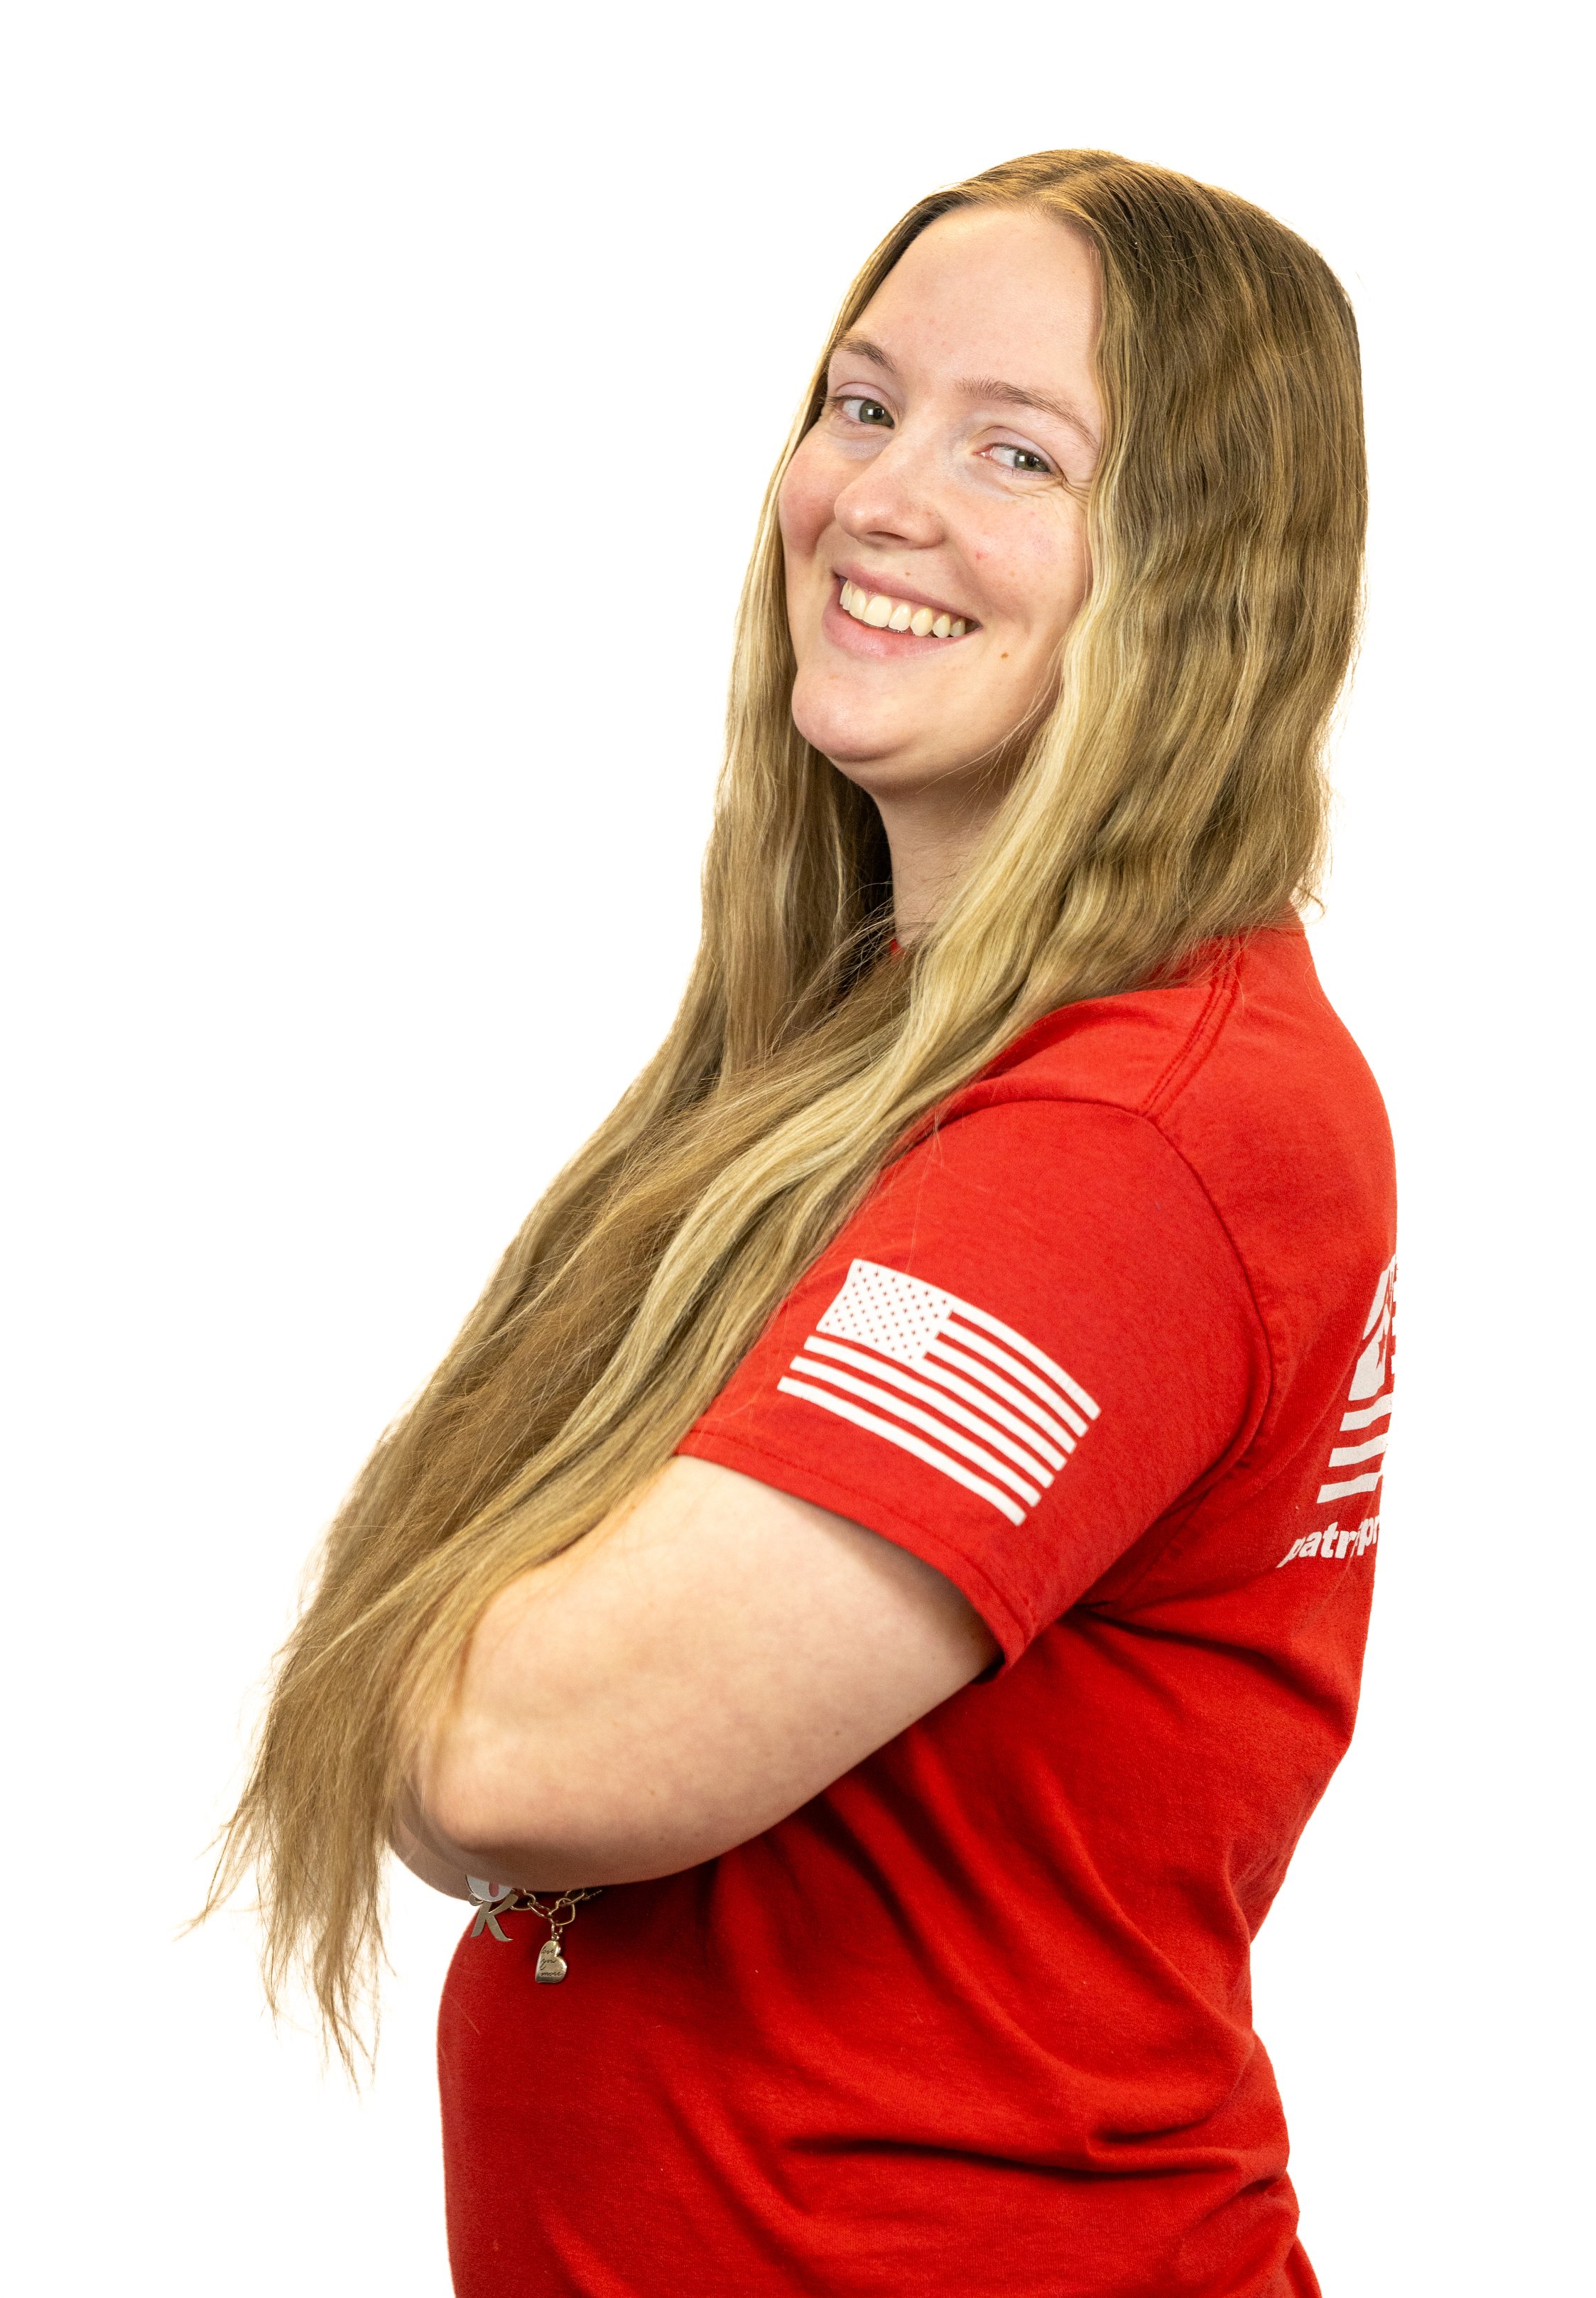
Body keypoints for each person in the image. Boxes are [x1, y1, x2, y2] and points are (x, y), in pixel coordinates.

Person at [215, 148, 1393, 2297]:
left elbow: (518, 1751)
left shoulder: (1130, 1131)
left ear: (1203, 568)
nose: (878, 499)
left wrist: (436, 1611)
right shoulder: (905, 1059)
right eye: (861, 405)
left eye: (1016, 451)